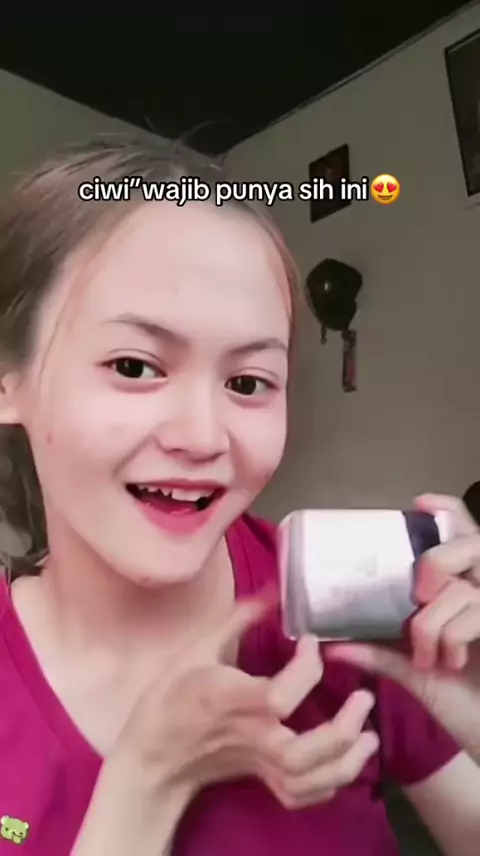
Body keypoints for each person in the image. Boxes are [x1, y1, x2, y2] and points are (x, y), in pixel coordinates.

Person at [0, 138, 479, 856]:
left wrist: (471, 713)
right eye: (134, 366)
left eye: (248, 382)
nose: (203, 437)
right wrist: (146, 782)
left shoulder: (348, 615)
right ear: (9, 382)